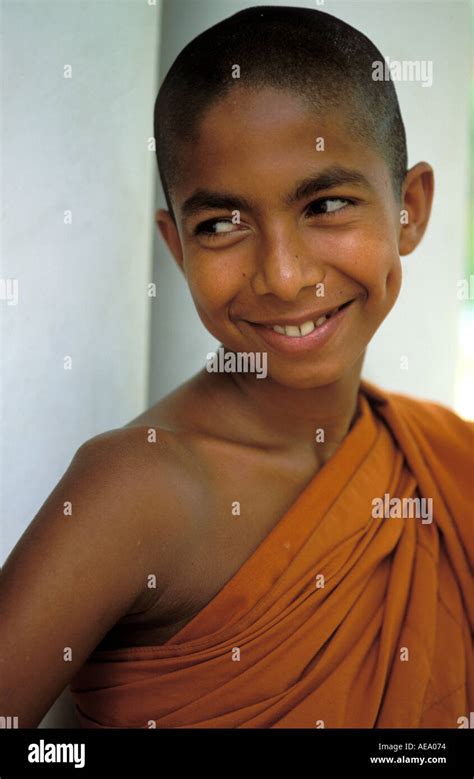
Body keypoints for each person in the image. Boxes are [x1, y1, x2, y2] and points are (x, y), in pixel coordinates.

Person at [1, 5, 472, 729]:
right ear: (176, 245)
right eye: (221, 224)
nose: (283, 277)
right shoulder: (139, 489)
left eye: (326, 204)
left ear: (409, 208)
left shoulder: (445, 461)